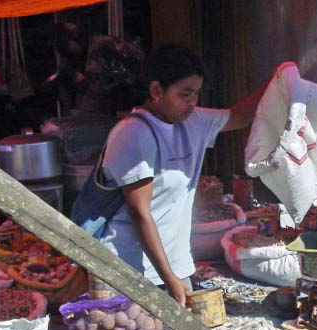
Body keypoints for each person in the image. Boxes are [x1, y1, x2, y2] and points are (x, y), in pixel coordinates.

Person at [99, 44, 265, 305]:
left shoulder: (194, 121)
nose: (192, 102)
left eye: (196, 93)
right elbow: (139, 212)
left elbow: (240, 116)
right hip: (132, 273)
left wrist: (281, 78)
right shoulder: (134, 134)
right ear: (156, 90)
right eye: (184, 94)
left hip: (176, 268)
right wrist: (168, 277)